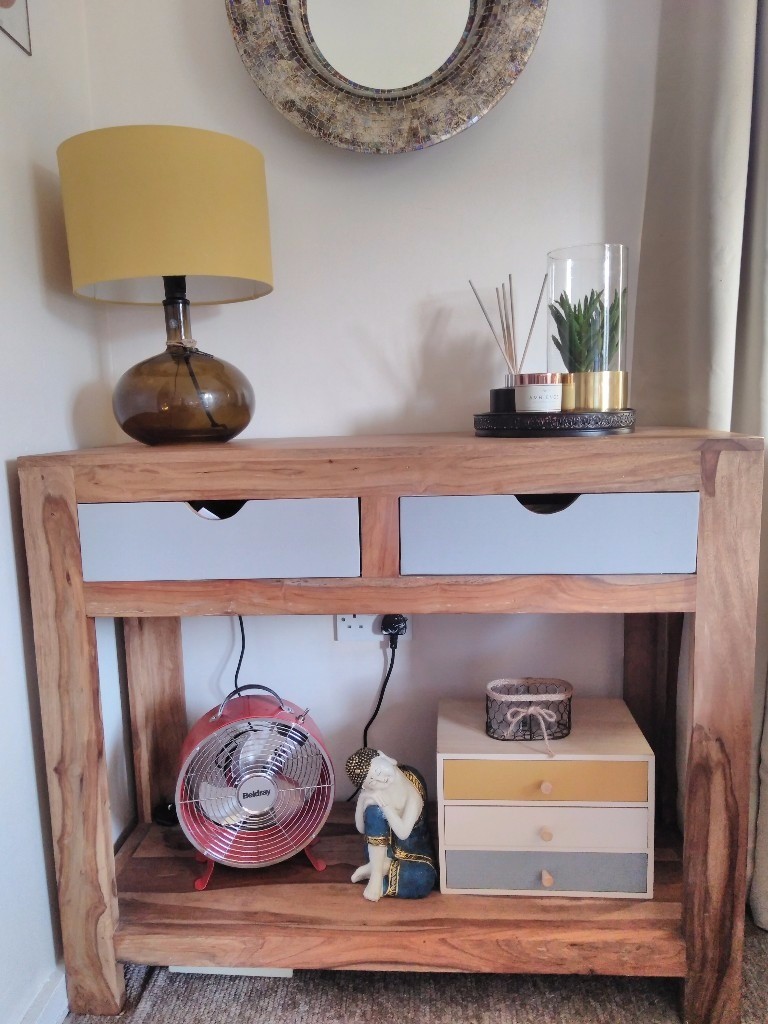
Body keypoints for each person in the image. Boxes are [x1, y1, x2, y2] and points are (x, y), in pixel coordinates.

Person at [345, 747, 436, 902]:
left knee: (423, 879)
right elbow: (361, 829)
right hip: (379, 849)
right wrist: (363, 800)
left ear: (384, 757)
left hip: (412, 852)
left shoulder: (411, 793)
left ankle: (379, 874)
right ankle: (376, 876)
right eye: (373, 781)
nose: (382, 779)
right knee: (374, 811)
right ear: (367, 786)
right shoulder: (374, 792)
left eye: (379, 771)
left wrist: (386, 807)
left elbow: (403, 832)